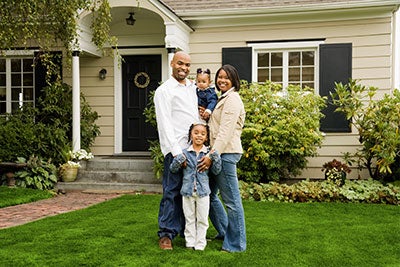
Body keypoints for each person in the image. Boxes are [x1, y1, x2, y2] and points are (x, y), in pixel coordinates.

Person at [198, 64, 247, 252]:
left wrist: (212, 155)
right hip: (217, 152)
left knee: (232, 201)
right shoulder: (221, 99)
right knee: (208, 195)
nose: (222, 80)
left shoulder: (233, 99)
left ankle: (236, 244)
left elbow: (225, 132)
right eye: (219, 77)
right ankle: (225, 231)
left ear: (234, 79)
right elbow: (216, 127)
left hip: (224, 154)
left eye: (226, 77)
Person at [154, 51, 199, 250]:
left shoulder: (192, 87)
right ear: (172, 63)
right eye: (180, 63)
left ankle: (184, 230)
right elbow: (164, 124)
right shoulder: (164, 91)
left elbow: (193, 116)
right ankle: (166, 234)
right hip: (175, 150)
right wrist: (175, 152)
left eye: (187, 65)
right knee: (171, 191)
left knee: (189, 192)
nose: (184, 68)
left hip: (192, 149)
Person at [169, 123, 221, 251]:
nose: (199, 136)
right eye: (196, 132)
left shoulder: (208, 154)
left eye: (203, 134)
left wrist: (215, 157)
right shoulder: (184, 153)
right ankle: (190, 242)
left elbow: (216, 171)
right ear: (191, 135)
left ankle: (200, 243)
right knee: (189, 218)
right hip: (187, 192)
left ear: (207, 137)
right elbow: (173, 169)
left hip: (203, 192)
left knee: (202, 219)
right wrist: (178, 160)